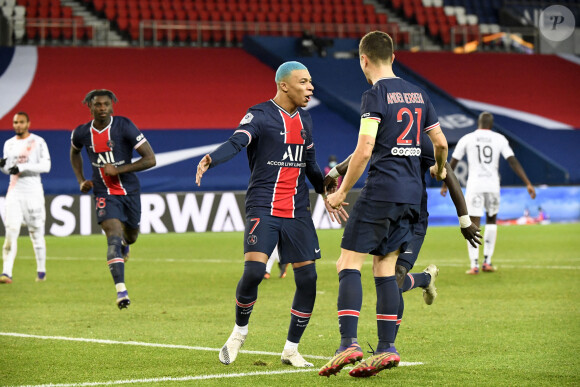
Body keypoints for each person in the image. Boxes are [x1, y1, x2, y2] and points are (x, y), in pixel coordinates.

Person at [196, 61, 347, 368]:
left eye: (311, 82)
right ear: (284, 85)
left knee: (308, 279)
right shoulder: (260, 115)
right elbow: (238, 141)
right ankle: (239, 331)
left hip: (297, 211)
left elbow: (311, 165)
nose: (311, 87)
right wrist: (213, 158)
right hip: (263, 206)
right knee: (253, 273)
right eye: (304, 82)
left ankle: (291, 349)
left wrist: (327, 194)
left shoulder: (306, 120)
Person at [318, 31, 449, 378]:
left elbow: (364, 150)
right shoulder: (419, 94)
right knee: (384, 268)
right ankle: (387, 348)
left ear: (364, 59)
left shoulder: (375, 94)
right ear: (392, 56)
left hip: (381, 190)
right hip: (410, 196)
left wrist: (342, 191)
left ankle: (348, 342)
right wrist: (438, 167)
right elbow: (440, 141)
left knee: (348, 260)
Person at [323, 133, 481, 361]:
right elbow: (362, 151)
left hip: (414, 218)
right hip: (387, 210)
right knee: (386, 273)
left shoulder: (420, 138)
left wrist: (464, 220)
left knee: (394, 276)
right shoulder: (386, 130)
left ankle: (385, 348)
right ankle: (425, 280)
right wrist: (335, 172)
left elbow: (449, 174)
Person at [70, 89, 156, 309]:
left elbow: (150, 159)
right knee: (113, 238)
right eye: (97, 105)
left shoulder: (124, 126)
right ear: (89, 106)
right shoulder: (81, 133)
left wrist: (119, 169)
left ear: (112, 105)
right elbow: (74, 153)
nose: (102, 108)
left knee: (131, 235)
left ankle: (127, 244)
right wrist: (81, 180)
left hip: (129, 192)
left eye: (106, 104)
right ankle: (121, 291)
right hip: (103, 193)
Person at [441, 112, 535, 274]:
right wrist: (527, 182)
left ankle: (474, 265)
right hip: (492, 186)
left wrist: (445, 184)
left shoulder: (467, 138)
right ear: (491, 125)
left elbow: (453, 161)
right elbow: (512, 160)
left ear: (478, 123)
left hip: (475, 185)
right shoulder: (499, 139)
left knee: (473, 223)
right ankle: (488, 262)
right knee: (491, 220)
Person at [0, 112, 51, 284]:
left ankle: (41, 272)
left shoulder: (38, 142)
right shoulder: (9, 144)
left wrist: (23, 166)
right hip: (14, 192)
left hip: (33, 192)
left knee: (36, 233)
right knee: (10, 231)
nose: (18, 125)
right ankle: (6, 272)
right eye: (15, 122)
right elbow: (9, 169)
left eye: (21, 122)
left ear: (28, 123)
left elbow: (46, 166)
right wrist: (4, 168)